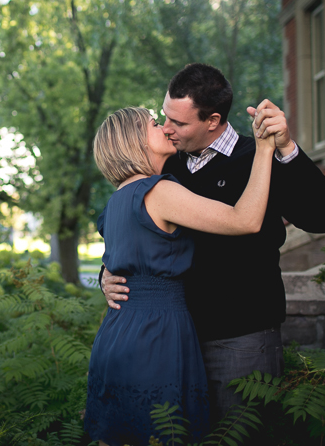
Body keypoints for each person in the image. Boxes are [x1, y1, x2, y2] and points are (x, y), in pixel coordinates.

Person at [101, 63, 325, 426]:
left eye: (178, 123)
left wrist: (287, 149)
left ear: (212, 120)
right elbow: (130, 230)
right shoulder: (164, 169)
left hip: (241, 337)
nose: (167, 128)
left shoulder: (258, 159)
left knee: (242, 435)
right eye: (164, 117)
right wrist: (108, 272)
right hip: (175, 340)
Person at [85, 105, 281, 446]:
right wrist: (264, 149)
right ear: (135, 142)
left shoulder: (116, 201)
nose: (164, 127)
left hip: (118, 331)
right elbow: (245, 220)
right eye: (152, 124)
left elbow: (124, 258)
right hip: (155, 334)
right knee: (165, 432)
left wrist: (105, 276)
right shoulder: (158, 191)